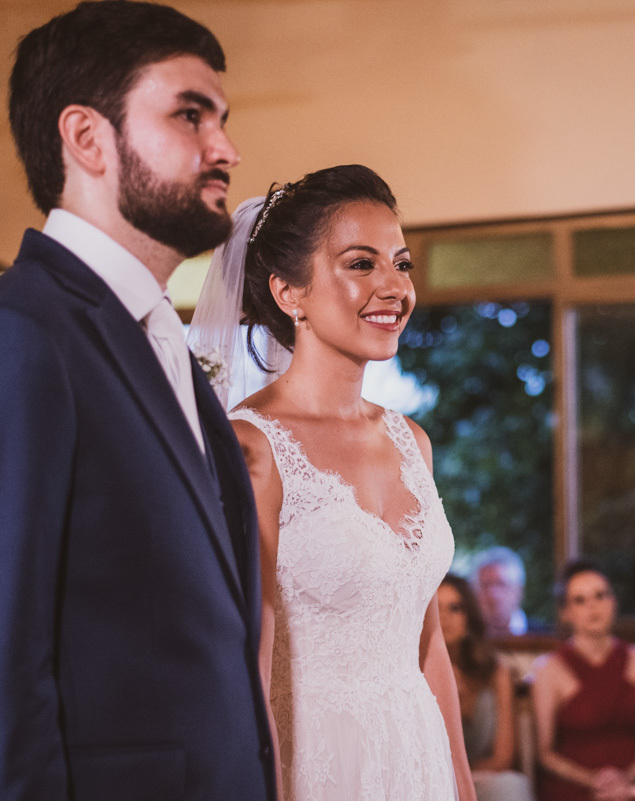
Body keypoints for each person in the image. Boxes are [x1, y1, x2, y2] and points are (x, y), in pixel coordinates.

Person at [0, 3, 277, 800]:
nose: (224, 148)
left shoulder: (161, 343)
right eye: (189, 115)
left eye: (222, 119)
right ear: (87, 138)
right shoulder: (16, 335)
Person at [197, 165, 477, 800]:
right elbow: (251, 659)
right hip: (319, 765)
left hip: (418, 759)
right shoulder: (252, 447)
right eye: (360, 264)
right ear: (289, 292)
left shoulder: (414, 442)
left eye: (400, 264)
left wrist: (461, 781)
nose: (393, 287)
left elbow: (427, 640)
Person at [532, 561, 635, 801]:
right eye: (580, 600)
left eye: (600, 595)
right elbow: (545, 754)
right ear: (566, 613)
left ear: (613, 602)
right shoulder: (549, 669)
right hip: (575, 786)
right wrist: (596, 782)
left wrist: (626, 780)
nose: (593, 607)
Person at [437, 574, 534, 801]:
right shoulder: (414, 672)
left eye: (455, 608)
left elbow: (504, 757)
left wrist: (465, 779)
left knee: (511, 786)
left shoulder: (496, 670)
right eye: (436, 608)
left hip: (484, 777)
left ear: (469, 615)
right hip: (436, 779)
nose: (444, 617)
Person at [472, 546, 532, 637]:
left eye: (501, 584)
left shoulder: (544, 637)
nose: (493, 594)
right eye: (485, 585)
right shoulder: (467, 639)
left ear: (519, 591)